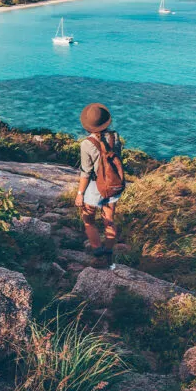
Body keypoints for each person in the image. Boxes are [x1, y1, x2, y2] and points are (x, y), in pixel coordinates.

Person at [75, 103, 123, 268]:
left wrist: (80, 193)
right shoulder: (115, 137)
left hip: (96, 187)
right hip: (114, 184)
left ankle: (97, 253)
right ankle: (108, 255)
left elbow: (85, 172)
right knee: (109, 220)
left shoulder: (86, 144)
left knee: (88, 219)